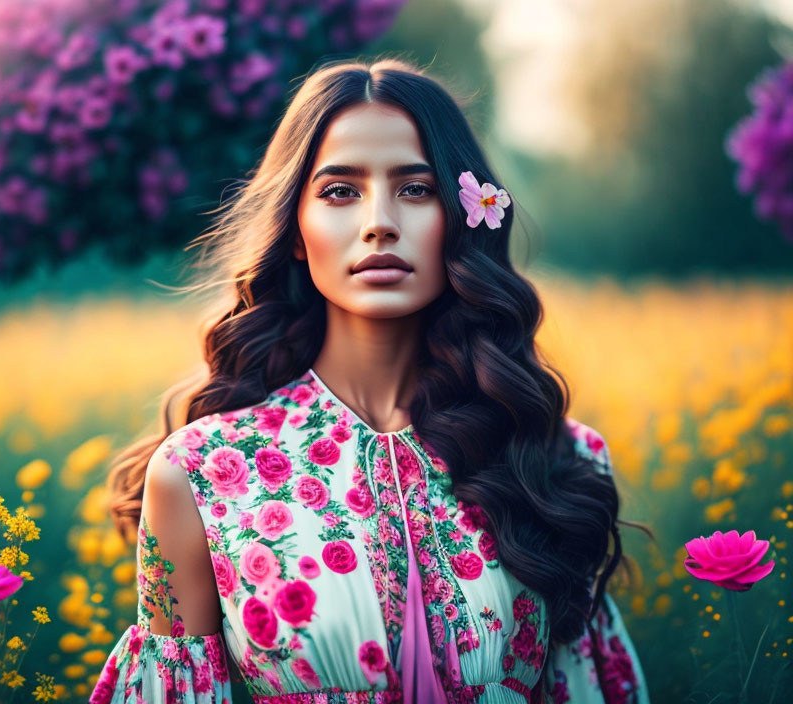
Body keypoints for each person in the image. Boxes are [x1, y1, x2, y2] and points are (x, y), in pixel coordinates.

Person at [91, 57, 652, 704]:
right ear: (295, 231)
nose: (380, 221)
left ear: (463, 217)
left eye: (416, 189)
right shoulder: (200, 473)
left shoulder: (556, 458)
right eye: (339, 191)